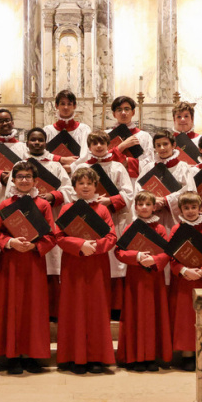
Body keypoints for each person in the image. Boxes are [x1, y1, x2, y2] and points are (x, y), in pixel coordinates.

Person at [0, 162, 57, 374]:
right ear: (13, 180)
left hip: (33, 261)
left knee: (33, 307)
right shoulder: (5, 205)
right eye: (19, 176)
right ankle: (12, 356)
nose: (24, 180)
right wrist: (11, 243)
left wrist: (34, 245)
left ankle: (32, 355)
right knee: (11, 306)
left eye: (28, 177)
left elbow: (50, 236)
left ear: (35, 180)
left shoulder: (43, 205)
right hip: (11, 261)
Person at [55, 168, 117, 374]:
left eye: (89, 183)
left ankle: (97, 357)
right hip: (74, 263)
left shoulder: (103, 210)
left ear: (95, 186)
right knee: (74, 308)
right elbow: (59, 236)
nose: (85, 186)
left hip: (97, 264)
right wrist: (80, 245)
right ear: (74, 187)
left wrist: (95, 247)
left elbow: (111, 237)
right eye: (81, 183)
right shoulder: (67, 209)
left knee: (97, 309)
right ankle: (75, 357)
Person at [71, 130, 134, 317]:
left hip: (113, 217)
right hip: (88, 221)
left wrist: (110, 201)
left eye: (102, 143)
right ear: (89, 147)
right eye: (95, 143)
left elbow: (128, 193)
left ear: (108, 145)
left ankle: (114, 307)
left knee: (115, 260)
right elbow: (73, 192)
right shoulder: (81, 167)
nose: (99, 146)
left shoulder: (117, 167)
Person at [114, 191, 172, 372]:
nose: (144, 208)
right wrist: (137, 256)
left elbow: (168, 252)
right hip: (135, 277)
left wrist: (155, 260)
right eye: (141, 204)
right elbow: (119, 252)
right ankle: (134, 357)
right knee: (134, 314)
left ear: (154, 207)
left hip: (154, 277)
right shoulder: (130, 227)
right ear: (136, 207)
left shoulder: (161, 229)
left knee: (153, 314)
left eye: (148, 204)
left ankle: (151, 357)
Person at [24, 127, 72, 321]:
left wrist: (53, 195)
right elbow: (11, 189)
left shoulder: (55, 166)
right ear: (27, 143)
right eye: (33, 140)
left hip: (51, 213)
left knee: (53, 261)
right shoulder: (22, 165)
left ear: (46, 143)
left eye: (40, 140)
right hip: (28, 219)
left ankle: (53, 311)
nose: (36, 143)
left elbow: (69, 188)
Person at [168, 192, 202, 372]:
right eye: (186, 208)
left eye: (193, 207)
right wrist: (184, 270)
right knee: (184, 317)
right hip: (183, 280)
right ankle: (187, 354)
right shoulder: (175, 229)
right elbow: (172, 255)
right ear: (180, 210)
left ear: (200, 208)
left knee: (201, 316)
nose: (190, 211)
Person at [134, 130, 196, 235]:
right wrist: (152, 200)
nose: (162, 148)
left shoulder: (182, 166)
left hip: (173, 217)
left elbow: (190, 192)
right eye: (158, 145)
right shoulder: (149, 167)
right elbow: (138, 189)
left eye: (165, 144)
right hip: (152, 215)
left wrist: (166, 200)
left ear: (173, 145)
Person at [106, 95, 154, 180]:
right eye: (119, 110)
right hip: (112, 179)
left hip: (134, 180)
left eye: (127, 109)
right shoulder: (105, 136)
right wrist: (122, 146)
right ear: (114, 114)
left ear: (133, 112)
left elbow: (150, 164)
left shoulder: (144, 136)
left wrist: (128, 162)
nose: (123, 113)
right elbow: (100, 159)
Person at [43, 89, 91, 170]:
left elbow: (86, 155)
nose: (66, 107)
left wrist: (71, 167)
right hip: (53, 171)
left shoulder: (84, 129)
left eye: (69, 104)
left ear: (74, 106)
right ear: (56, 105)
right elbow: (41, 153)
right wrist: (60, 159)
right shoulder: (47, 130)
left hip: (77, 173)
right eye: (62, 104)